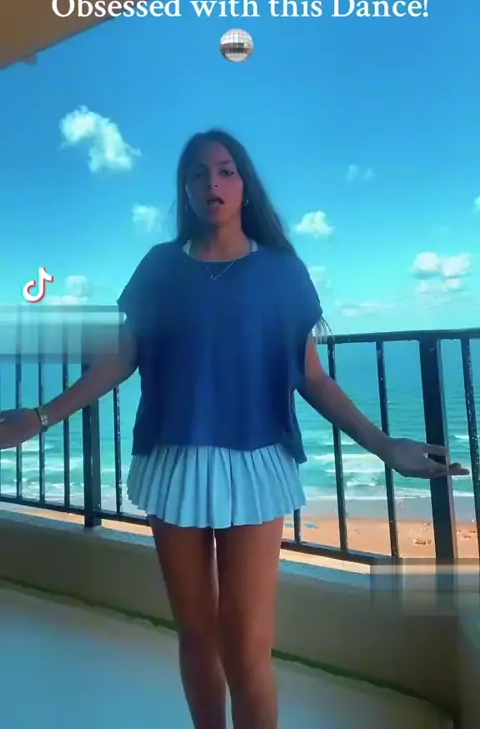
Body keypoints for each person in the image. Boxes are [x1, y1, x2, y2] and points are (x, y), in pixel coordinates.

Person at [0, 130, 468, 729]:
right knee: (195, 636)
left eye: (225, 171)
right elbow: (120, 361)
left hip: (255, 463)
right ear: (185, 189)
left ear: (245, 185)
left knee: (246, 651)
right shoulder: (159, 268)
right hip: (173, 461)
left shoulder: (281, 271)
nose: (211, 184)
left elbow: (311, 376)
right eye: (197, 174)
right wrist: (41, 417)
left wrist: (383, 445)